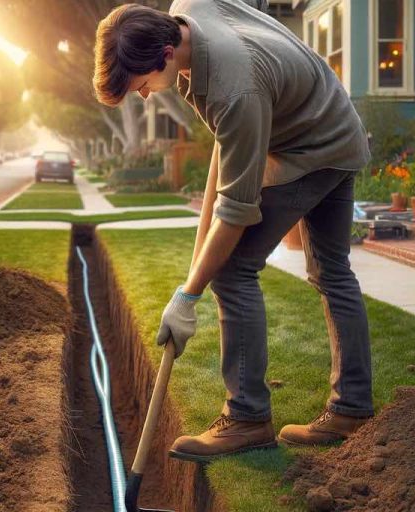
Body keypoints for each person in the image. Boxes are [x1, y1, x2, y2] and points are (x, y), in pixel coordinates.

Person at [93, 0, 374, 462]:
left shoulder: (234, 88)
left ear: (166, 54)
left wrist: (189, 295)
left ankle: (247, 419)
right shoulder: (187, 9)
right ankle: (352, 408)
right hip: (336, 123)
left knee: (232, 271)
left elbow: (235, 211)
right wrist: (189, 279)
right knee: (333, 271)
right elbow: (224, 173)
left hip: (314, 147)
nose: (144, 96)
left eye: (142, 86)